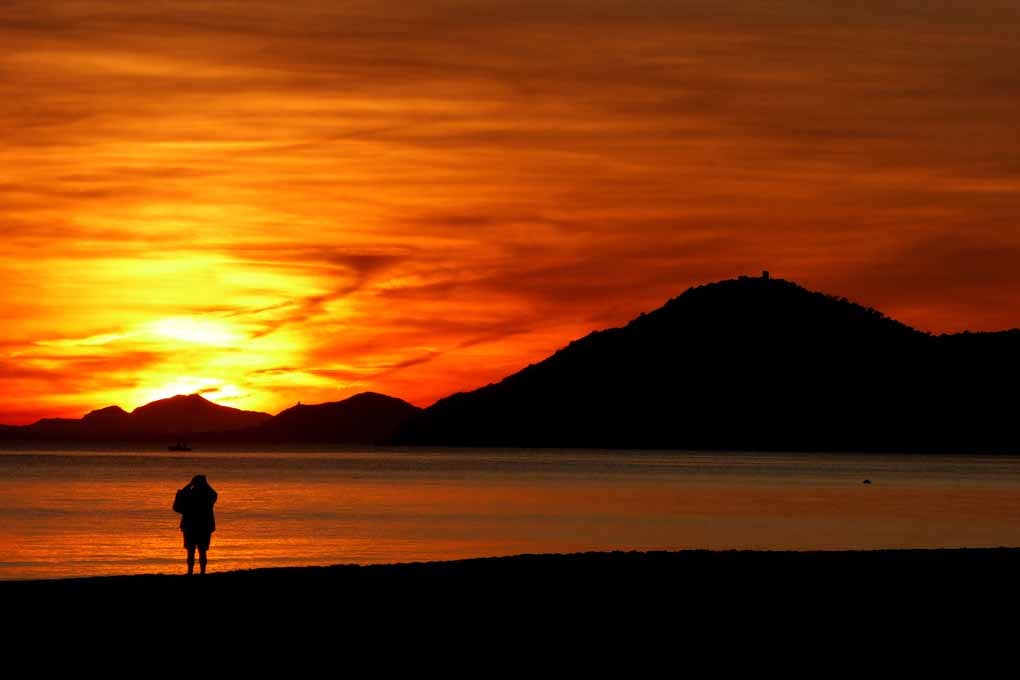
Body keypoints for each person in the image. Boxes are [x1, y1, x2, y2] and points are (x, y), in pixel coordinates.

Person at [172, 474, 218, 575]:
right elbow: (214, 494)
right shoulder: (207, 496)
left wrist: (189, 485)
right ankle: (201, 572)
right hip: (202, 527)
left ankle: (191, 572)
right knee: (201, 550)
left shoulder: (189, 494)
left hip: (191, 526)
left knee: (192, 550)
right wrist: (206, 485)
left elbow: (177, 504)